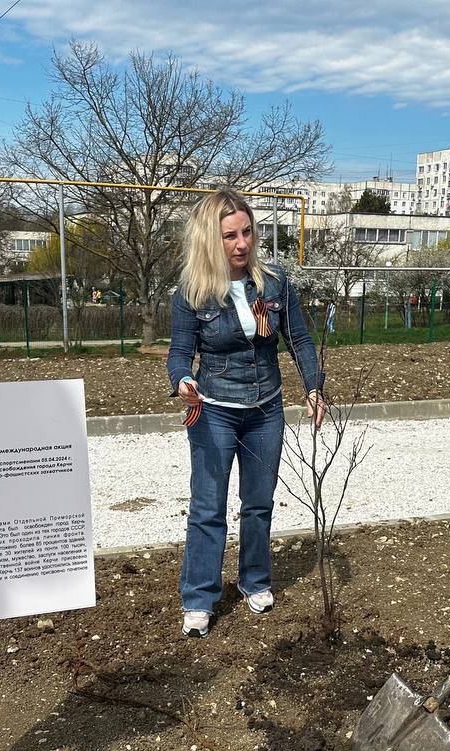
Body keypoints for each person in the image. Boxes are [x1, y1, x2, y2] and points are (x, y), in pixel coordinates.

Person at [167, 189, 326, 638]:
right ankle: (199, 596)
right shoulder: (192, 295)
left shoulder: (273, 283)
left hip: (265, 410)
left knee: (258, 504)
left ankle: (254, 579)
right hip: (212, 410)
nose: (241, 244)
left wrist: (314, 387)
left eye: (247, 232)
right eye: (229, 236)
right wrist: (182, 380)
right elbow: (180, 353)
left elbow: (299, 340)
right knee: (207, 507)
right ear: (208, 241)